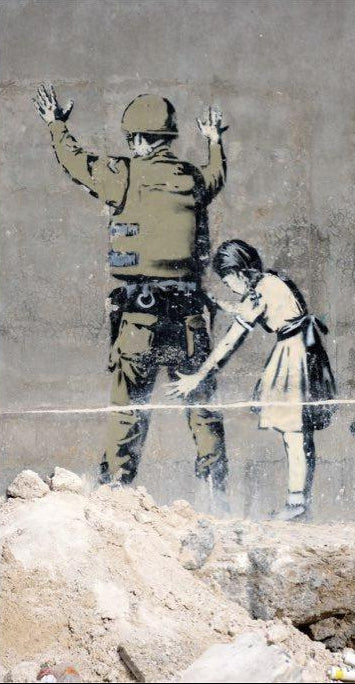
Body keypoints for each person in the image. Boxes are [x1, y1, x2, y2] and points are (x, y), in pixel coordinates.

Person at [33, 84, 229, 496]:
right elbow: (216, 175)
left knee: (129, 410)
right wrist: (214, 141)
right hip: (189, 317)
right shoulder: (193, 180)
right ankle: (218, 492)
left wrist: (55, 124)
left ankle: (115, 493)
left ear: (138, 138)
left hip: (141, 316)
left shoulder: (123, 174)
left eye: (130, 139)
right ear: (168, 138)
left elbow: (76, 162)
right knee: (202, 407)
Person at [168, 239, 336, 520]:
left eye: (227, 281)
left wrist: (198, 376)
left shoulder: (259, 293)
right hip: (305, 348)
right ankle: (298, 501)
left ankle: (296, 504)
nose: (229, 287)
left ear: (238, 272)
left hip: (293, 354)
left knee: (294, 434)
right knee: (299, 434)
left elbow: (230, 340)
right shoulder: (271, 281)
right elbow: (249, 308)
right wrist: (220, 304)